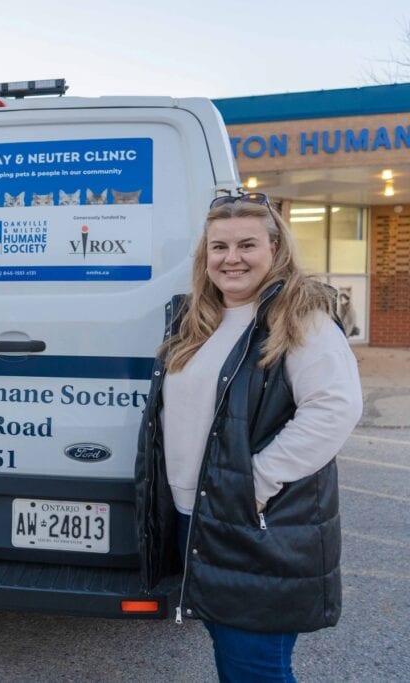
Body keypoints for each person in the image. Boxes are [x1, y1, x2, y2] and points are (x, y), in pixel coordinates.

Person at [135, 193, 362, 682]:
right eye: (219, 246)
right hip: (196, 515)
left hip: (257, 521)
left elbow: (335, 410)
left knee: (254, 667)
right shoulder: (198, 321)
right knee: (231, 653)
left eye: (246, 244)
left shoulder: (303, 321)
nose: (230, 258)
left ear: (275, 248)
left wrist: (254, 481)